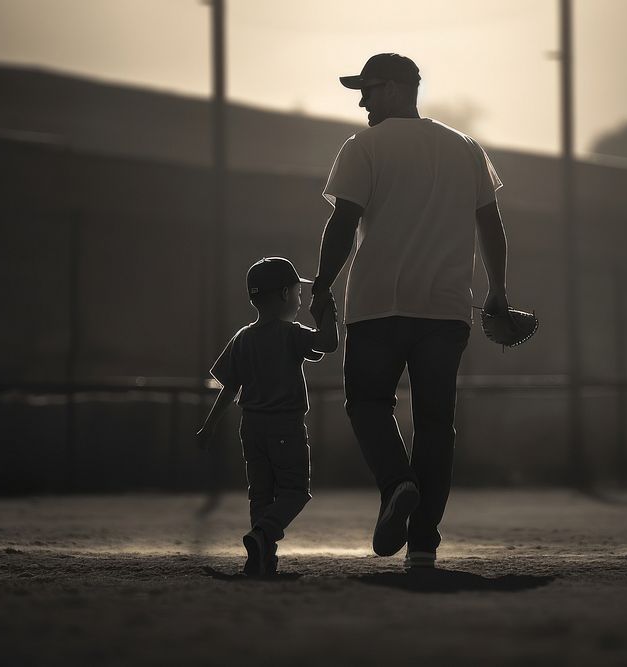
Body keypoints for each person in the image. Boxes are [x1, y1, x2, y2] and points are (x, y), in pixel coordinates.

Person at [310, 53, 519, 569]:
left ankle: (397, 483)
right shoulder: (465, 148)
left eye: (370, 88)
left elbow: (343, 223)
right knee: (434, 424)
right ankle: (423, 545)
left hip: (378, 304)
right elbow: (490, 224)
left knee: (366, 404)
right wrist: (498, 293)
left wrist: (322, 285)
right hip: (446, 311)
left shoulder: (363, 147)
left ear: (401, 89)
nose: (362, 100)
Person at [196, 257, 339, 576]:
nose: (300, 301)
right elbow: (328, 343)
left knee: (260, 494)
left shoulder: (243, 338)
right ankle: (264, 534)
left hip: (251, 429)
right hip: (285, 425)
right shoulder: (291, 334)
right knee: (295, 492)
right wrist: (327, 309)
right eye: (297, 294)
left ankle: (260, 560)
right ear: (284, 295)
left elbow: (230, 387)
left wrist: (209, 426)